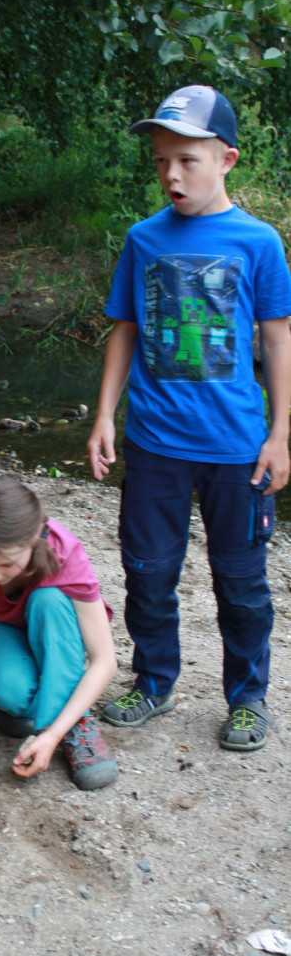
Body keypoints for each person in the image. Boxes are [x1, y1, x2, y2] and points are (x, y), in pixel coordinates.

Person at [86, 85, 291, 754]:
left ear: (226, 159)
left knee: (242, 583)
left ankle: (248, 699)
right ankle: (154, 682)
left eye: (187, 160)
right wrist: (104, 417)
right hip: (155, 445)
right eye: (161, 161)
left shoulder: (259, 242)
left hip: (238, 447)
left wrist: (280, 435)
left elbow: (277, 339)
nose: (171, 174)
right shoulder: (143, 239)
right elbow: (124, 329)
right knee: (148, 574)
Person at [0, 475, 119, 792]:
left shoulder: (63, 551)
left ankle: (73, 725)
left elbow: (104, 660)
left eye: (6, 564)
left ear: (35, 537)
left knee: (48, 600)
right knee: (8, 689)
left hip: (58, 631)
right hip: (6, 626)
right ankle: (40, 706)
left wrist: (53, 734)